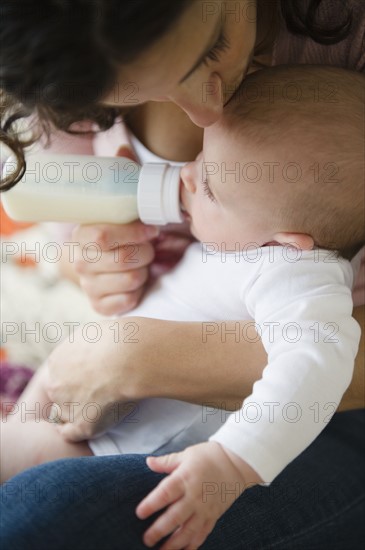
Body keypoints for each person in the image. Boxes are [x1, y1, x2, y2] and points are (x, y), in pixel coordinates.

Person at [0, 0, 364, 548]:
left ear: (286, 242)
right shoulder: (52, 59)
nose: (204, 114)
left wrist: (233, 461)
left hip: (261, 432)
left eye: (211, 49)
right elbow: (74, 238)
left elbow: (316, 363)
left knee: (40, 511)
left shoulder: (294, 273)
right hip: (96, 394)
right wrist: (92, 260)